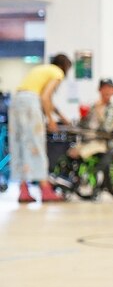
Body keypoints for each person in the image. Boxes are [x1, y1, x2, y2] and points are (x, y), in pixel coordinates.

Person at [9, 53, 72, 203]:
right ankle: (45, 190)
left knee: (20, 146)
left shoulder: (43, 69)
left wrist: (61, 117)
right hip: (31, 104)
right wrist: (51, 121)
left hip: (17, 101)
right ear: (65, 67)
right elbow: (45, 97)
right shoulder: (58, 72)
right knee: (37, 146)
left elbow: (47, 100)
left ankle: (23, 190)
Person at [67, 78, 113, 161]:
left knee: (80, 153)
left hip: (103, 142)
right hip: (87, 140)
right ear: (100, 90)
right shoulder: (93, 106)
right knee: (69, 153)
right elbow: (83, 126)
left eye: (109, 88)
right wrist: (83, 118)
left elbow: (106, 130)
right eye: (104, 88)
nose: (107, 91)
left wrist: (100, 113)